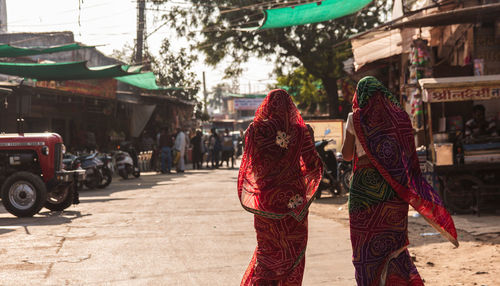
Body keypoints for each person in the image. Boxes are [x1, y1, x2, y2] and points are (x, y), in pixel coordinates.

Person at [342, 76, 458, 285]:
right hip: (393, 189)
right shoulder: (400, 118)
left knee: (364, 245)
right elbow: (408, 156)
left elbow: (348, 155)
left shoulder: (355, 118)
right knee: (393, 244)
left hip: (363, 190)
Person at [238, 89, 323, 285]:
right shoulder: (301, 131)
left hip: (265, 202)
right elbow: (312, 166)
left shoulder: (254, 130)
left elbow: (250, 164)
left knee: (267, 252)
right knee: (293, 252)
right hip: (295, 204)